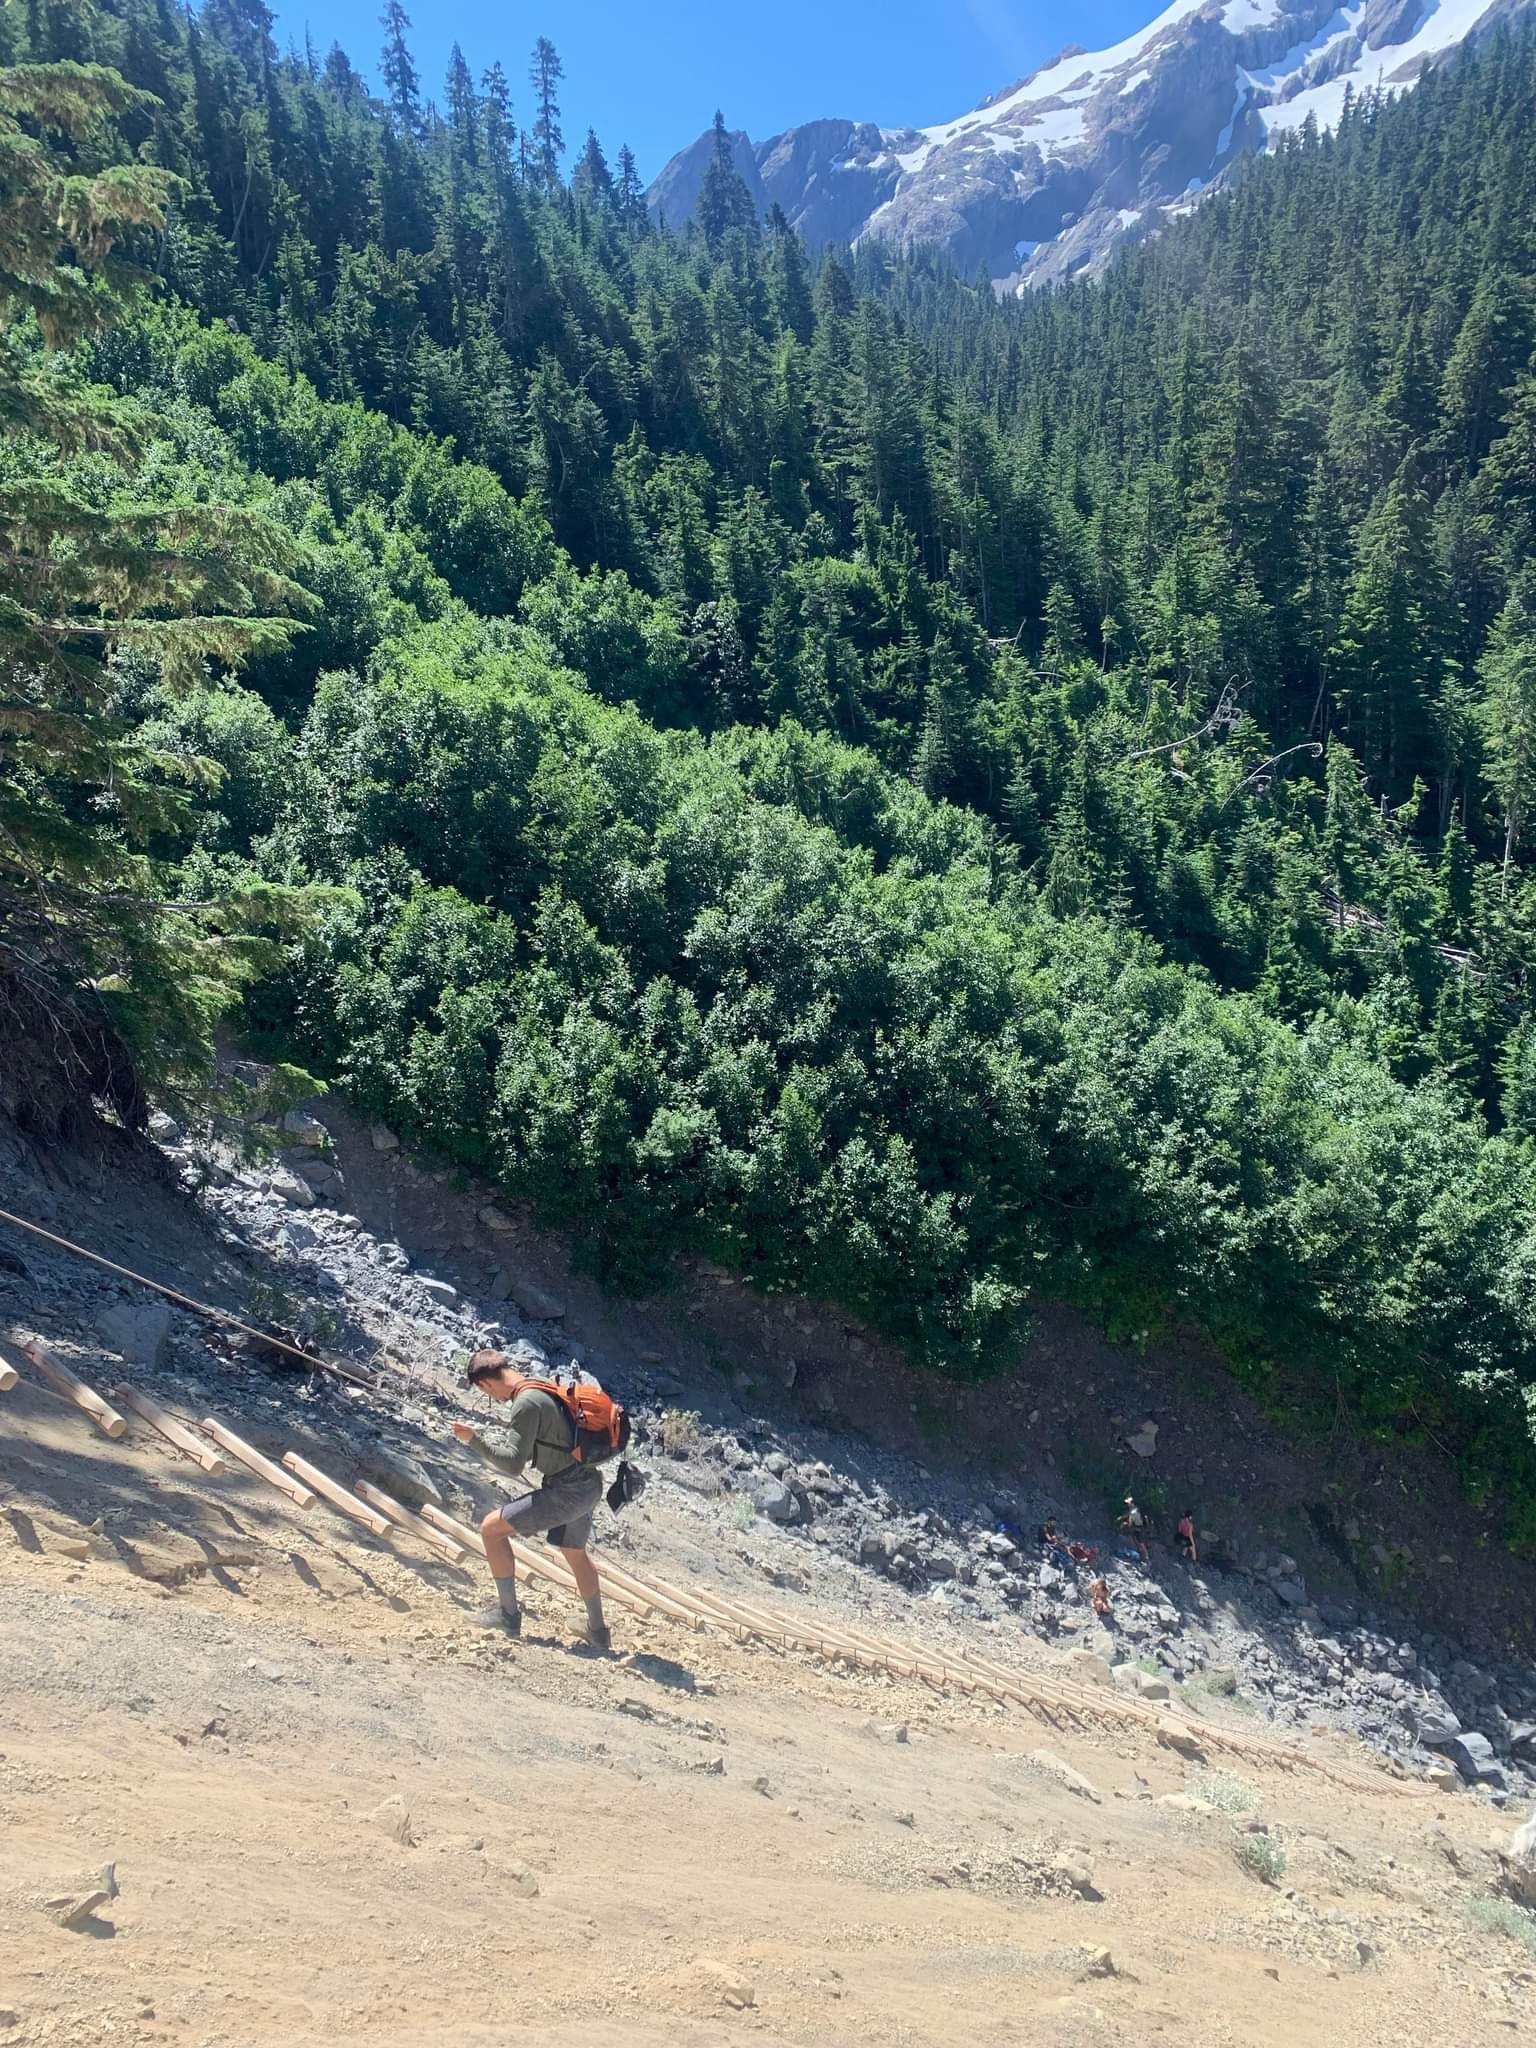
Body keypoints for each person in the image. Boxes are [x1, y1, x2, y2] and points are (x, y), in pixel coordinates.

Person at [452, 1349, 610, 1651]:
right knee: (573, 1550)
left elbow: (512, 1464)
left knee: (490, 1529)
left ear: (485, 1384)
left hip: (568, 1490)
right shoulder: (538, 1386)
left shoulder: (524, 1404)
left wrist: (474, 1440)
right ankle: (598, 1632)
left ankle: (507, 1616)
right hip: (588, 1484)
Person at [1118, 1494, 1149, 1561]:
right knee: (1140, 1542)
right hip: (1142, 1528)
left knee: (1140, 1543)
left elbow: (1130, 1523)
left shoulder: (1133, 1512)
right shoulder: (1137, 1509)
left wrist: (1124, 1524)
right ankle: (1144, 1557)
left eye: (1129, 1503)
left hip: (1138, 1529)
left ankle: (1145, 1558)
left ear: (1132, 1503)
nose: (1128, 1504)